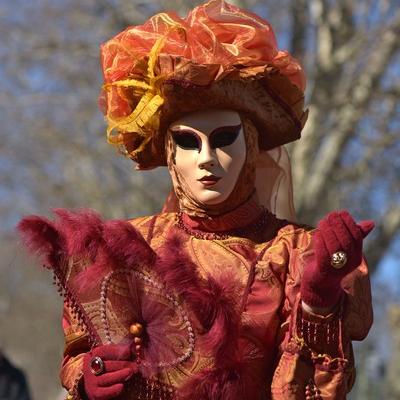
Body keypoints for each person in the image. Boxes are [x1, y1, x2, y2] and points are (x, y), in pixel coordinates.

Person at [18, 1, 374, 399]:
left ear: (251, 145)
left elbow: (313, 392)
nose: (206, 158)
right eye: (188, 142)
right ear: (169, 154)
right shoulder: (127, 248)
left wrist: (318, 300)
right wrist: (89, 374)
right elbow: (81, 352)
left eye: (224, 138)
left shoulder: (293, 254)